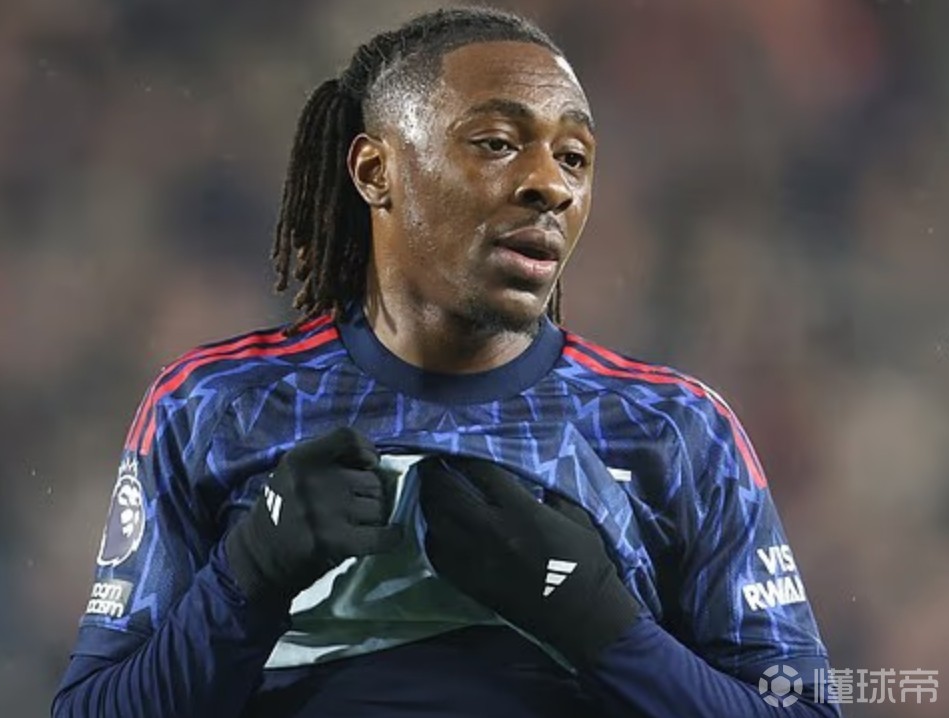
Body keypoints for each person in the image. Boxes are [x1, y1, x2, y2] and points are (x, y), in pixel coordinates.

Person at [52, 7, 839, 717]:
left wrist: (604, 629)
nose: (550, 186)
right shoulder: (212, 406)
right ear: (375, 171)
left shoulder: (675, 430)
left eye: (574, 158)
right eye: (497, 143)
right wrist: (247, 575)